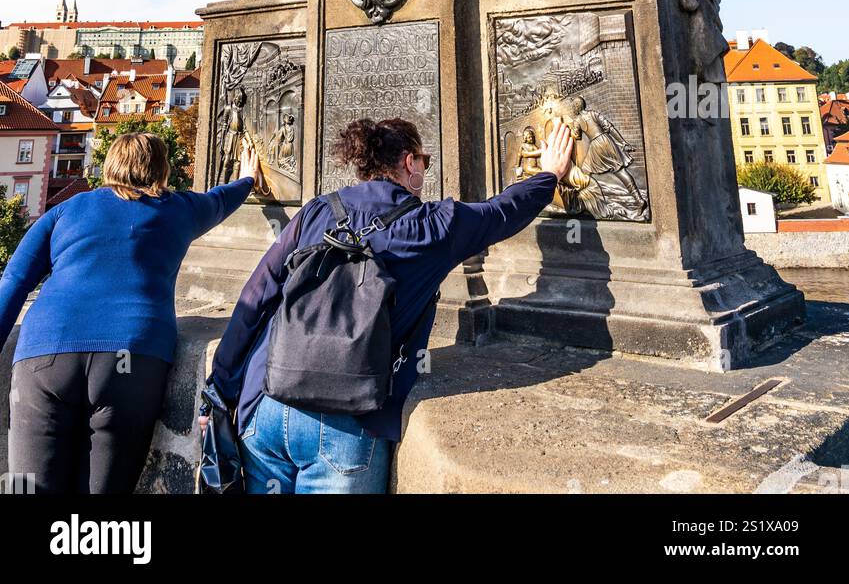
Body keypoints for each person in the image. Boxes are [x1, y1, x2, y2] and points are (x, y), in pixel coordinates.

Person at [205, 114, 573, 495]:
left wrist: (218, 392)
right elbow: (500, 212)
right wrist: (548, 176)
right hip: (347, 427)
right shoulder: (433, 226)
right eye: (425, 163)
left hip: (265, 403)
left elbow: (255, 298)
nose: (425, 172)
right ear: (409, 162)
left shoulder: (317, 210)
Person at [0, 130, 258, 494]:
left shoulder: (66, 210)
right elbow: (219, 200)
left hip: (45, 355)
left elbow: (14, 280)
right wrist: (247, 179)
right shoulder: (177, 210)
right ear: (162, 169)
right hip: (132, 359)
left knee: (26, 488)